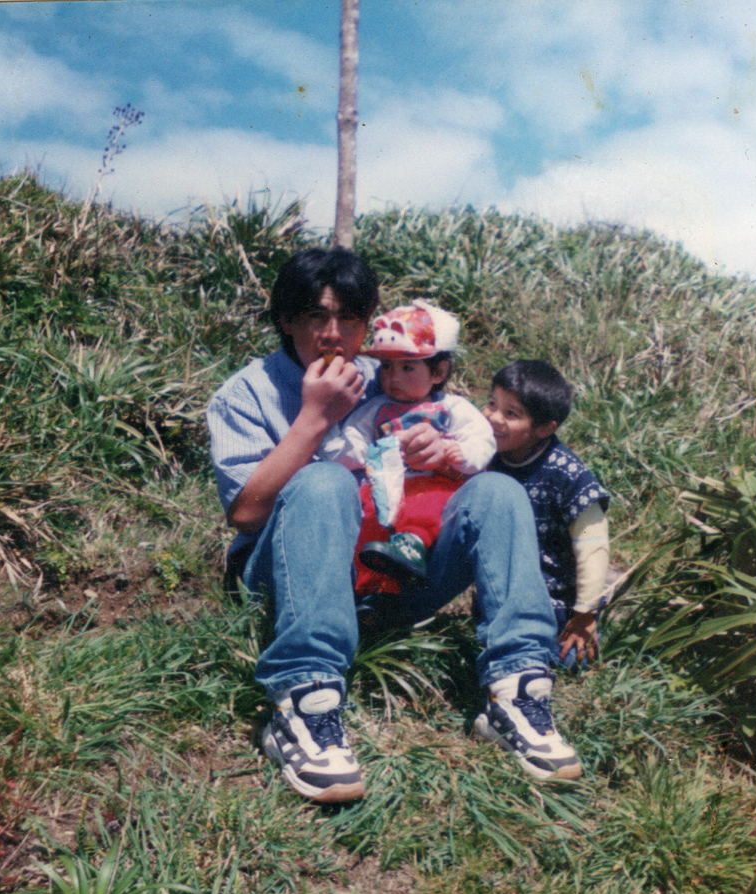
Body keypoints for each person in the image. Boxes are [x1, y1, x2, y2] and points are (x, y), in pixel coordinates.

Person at [207, 247, 582, 803]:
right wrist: (314, 418)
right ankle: (304, 700)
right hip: (286, 579)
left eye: (350, 319)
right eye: (315, 316)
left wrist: (442, 452)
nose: (333, 334)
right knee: (326, 481)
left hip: (394, 574)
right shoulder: (247, 393)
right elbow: (245, 514)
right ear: (285, 320)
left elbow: (460, 438)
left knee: (499, 490)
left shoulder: (390, 370)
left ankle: (519, 689)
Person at [317, 300, 495, 621]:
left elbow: (481, 438)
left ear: (439, 372)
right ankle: (374, 592)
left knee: (429, 502)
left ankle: (413, 544)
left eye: (407, 368)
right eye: (386, 367)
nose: (393, 378)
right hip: (386, 483)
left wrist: (461, 455)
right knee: (369, 515)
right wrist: (334, 435)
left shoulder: (451, 408)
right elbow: (352, 444)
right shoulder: (375, 409)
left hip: (431, 482)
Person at [482, 360, 611, 669]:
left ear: (544, 429)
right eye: (492, 404)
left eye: (511, 414)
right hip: (501, 587)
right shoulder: (485, 455)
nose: (493, 418)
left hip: (554, 599)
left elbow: (593, 546)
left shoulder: (567, 475)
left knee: (570, 659)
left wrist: (585, 612)